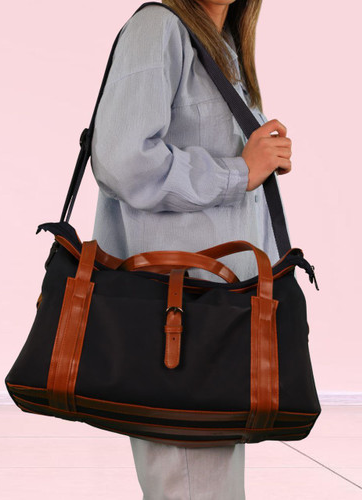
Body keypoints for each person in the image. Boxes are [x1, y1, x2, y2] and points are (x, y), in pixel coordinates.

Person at [90, 0, 292, 498]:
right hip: (177, 321)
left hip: (220, 315)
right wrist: (239, 172)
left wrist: (259, 161)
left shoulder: (222, 46)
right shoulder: (158, 28)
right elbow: (121, 159)